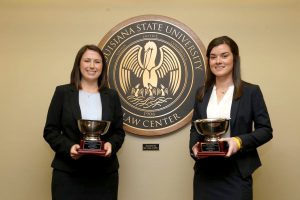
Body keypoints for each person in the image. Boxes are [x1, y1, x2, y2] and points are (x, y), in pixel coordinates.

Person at [189, 36, 273, 200]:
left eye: (224, 55)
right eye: (213, 57)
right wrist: (194, 148)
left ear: (235, 58)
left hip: (237, 174)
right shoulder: (201, 93)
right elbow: (195, 128)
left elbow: (266, 130)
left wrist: (238, 142)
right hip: (205, 176)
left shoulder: (251, 92)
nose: (218, 61)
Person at [43, 44, 125, 200]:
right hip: (68, 174)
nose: (92, 66)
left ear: (103, 66)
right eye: (87, 60)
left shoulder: (112, 96)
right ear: (79, 64)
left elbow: (118, 132)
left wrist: (111, 145)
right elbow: (50, 130)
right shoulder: (63, 93)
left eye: (97, 61)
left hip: (104, 176)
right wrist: (69, 147)